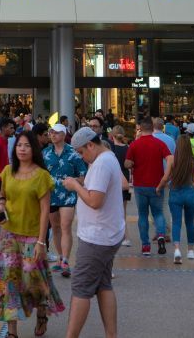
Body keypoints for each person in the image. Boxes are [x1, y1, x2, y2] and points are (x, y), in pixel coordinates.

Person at [0, 130, 63, 338]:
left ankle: (41, 315)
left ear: (34, 149)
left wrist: (41, 242)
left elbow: (45, 210)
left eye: (27, 146)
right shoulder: (8, 171)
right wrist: (1, 205)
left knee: (34, 282)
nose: (22, 149)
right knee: (8, 284)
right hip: (9, 236)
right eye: (19, 145)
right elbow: (2, 195)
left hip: (32, 237)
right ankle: (12, 332)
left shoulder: (41, 176)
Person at [61, 127, 124, 338]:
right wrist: (81, 182)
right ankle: (111, 334)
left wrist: (74, 186)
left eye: (81, 152)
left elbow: (95, 201)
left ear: (90, 145)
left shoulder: (101, 164)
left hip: (97, 237)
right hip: (107, 233)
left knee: (81, 288)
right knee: (103, 285)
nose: (81, 156)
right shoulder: (108, 158)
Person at [42, 123, 86, 278]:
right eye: (51, 132)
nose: (53, 135)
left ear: (64, 134)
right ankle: (61, 258)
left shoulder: (73, 153)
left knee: (65, 225)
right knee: (55, 227)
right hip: (50, 195)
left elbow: (82, 175)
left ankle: (66, 260)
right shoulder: (45, 153)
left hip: (68, 195)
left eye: (56, 132)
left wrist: (75, 183)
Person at [125, 116, 171, 257]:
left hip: (140, 185)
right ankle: (161, 234)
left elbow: (127, 163)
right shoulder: (159, 143)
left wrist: (132, 164)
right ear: (152, 128)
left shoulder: (134, 145)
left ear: (140, 128)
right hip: (157, 185)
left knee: (143, 215)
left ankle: (145, 246)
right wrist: (165, 178)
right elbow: (170, 158)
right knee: (158, 213)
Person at [161, 126, 194, 263]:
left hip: (175, 193)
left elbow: (166, 178)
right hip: (190, 193)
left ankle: (177, 249)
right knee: (190, 223)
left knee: (176, 222)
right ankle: (190, 251)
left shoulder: (172, 160)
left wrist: (159, 187)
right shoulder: (192, 161)